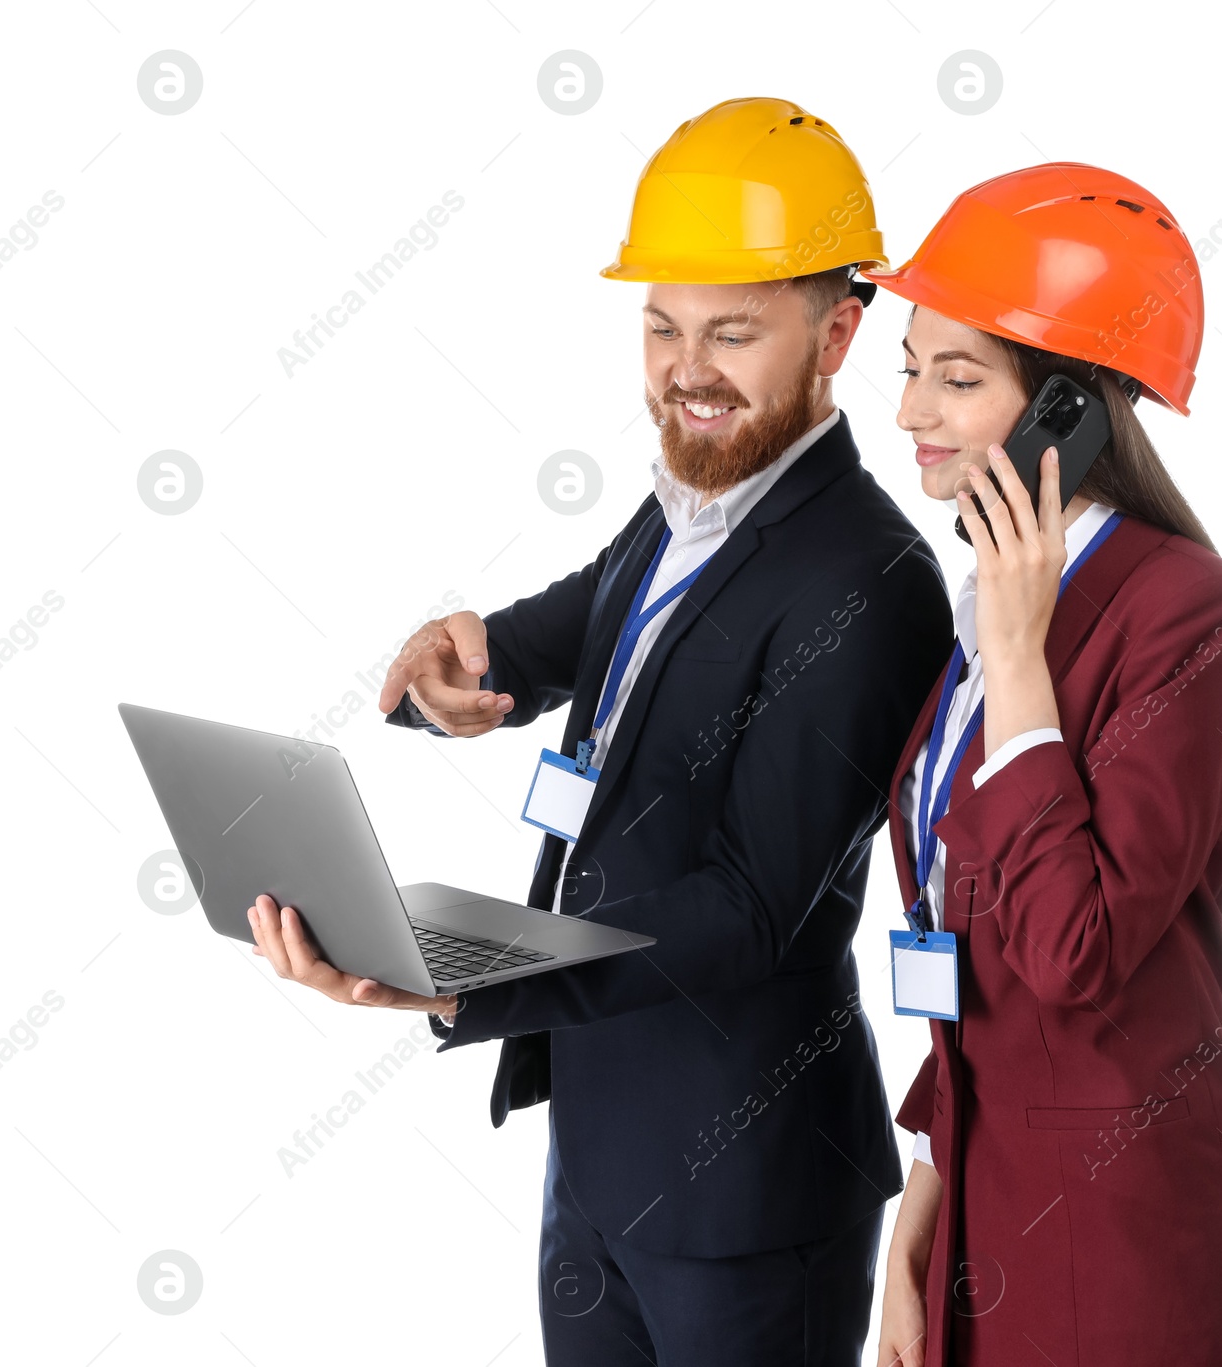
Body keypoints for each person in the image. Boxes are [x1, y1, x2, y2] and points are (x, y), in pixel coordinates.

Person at [246, 96, 952, 1365]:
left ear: (839, 333)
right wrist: (449, 666)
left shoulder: (870, 581)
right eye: (662, 325)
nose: (687, 369)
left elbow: (750, 905)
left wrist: (462, 966)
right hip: (602, 1140)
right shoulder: (684, 509)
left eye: (733, 332)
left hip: (748, 1185)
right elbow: (559, 640)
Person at [863, 165, 1222, 1366]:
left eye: (957, 379)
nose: (909, 413)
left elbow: (1074, 953)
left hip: (1137, 1234)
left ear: (1073, 410)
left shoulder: (1191, 613)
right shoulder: (983, 604)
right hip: (981, 1204)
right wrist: (920, 1200)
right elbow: (965, 951)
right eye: (908, 367)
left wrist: (1018, 665)